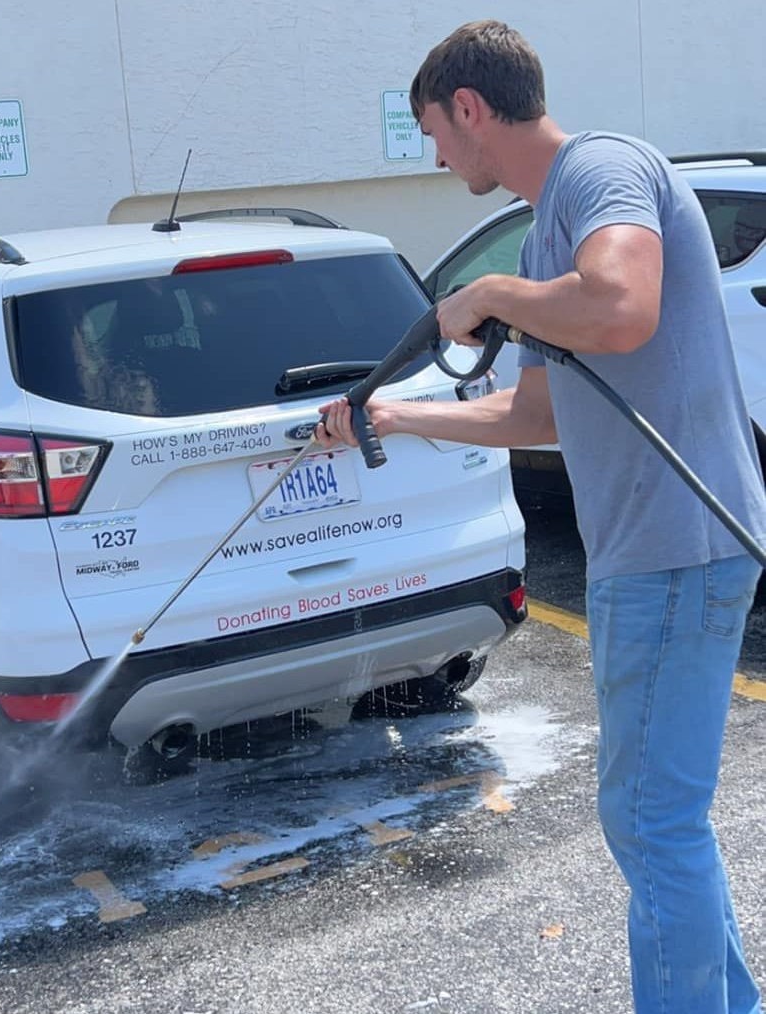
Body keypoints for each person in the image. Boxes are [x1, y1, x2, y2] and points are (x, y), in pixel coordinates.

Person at [316, 20, 766, 1014]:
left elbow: (618, 309)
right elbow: (534, 414)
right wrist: (389, 414)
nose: (434, 155)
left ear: (468, 109)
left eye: (433, 132)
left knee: (653, 821)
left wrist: (485, 291)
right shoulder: (546, 229)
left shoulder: (598, 173)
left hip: (672, 549)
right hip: (647, 554)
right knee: (654, 819)